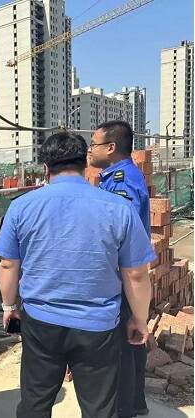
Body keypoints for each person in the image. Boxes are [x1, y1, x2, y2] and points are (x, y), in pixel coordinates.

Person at [0, 132, 155, 418]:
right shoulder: (118, 208)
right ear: (85, 165)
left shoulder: (22, 206)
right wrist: (139, 320)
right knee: (99, 408)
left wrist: (8, 306)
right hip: (98, 326)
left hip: (41, 321)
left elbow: (8, 265)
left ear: (46, 168)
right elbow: (137, 275)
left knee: (35, 403)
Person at [89, 121, 152, 418]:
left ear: (111, 148)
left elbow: (118, 233)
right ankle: (135, 402)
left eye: (94, 144)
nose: (90, 150)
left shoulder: (122, 181)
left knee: (123, 346)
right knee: (130, 343)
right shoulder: (116, 176)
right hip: (123, 274)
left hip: (121, 276)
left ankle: (124, 407)